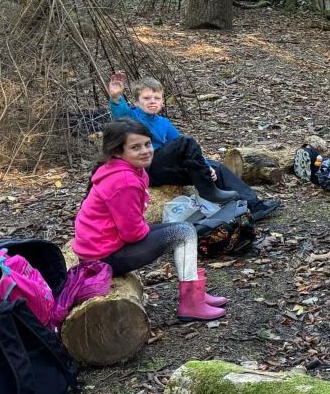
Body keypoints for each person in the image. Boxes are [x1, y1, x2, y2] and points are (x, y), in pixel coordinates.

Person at [72, 120, 226, 322]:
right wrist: (150, 230)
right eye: (135, 147)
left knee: (185, 229)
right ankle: (191, 303)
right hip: (102, 259)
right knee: (184, 233)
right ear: (118, 152)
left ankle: (196, 292)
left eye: (147, 144)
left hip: (105, 248)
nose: (145, 151)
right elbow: (132, 233)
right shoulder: (124, 181)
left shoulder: (130, 170)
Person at [107, 71, 281, 221]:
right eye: (146, 98)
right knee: (186, 142)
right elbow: (120, 116)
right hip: (148, 167)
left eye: (156, 98)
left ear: (162, 102)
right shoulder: (132, 116)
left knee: (217, 167)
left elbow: (186, 150)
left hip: (167, 169)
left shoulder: (164, 123)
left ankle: (254, 206)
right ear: (136, 102)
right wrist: (116, 98)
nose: (152, 101)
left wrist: (205, 167)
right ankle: (208, 191)